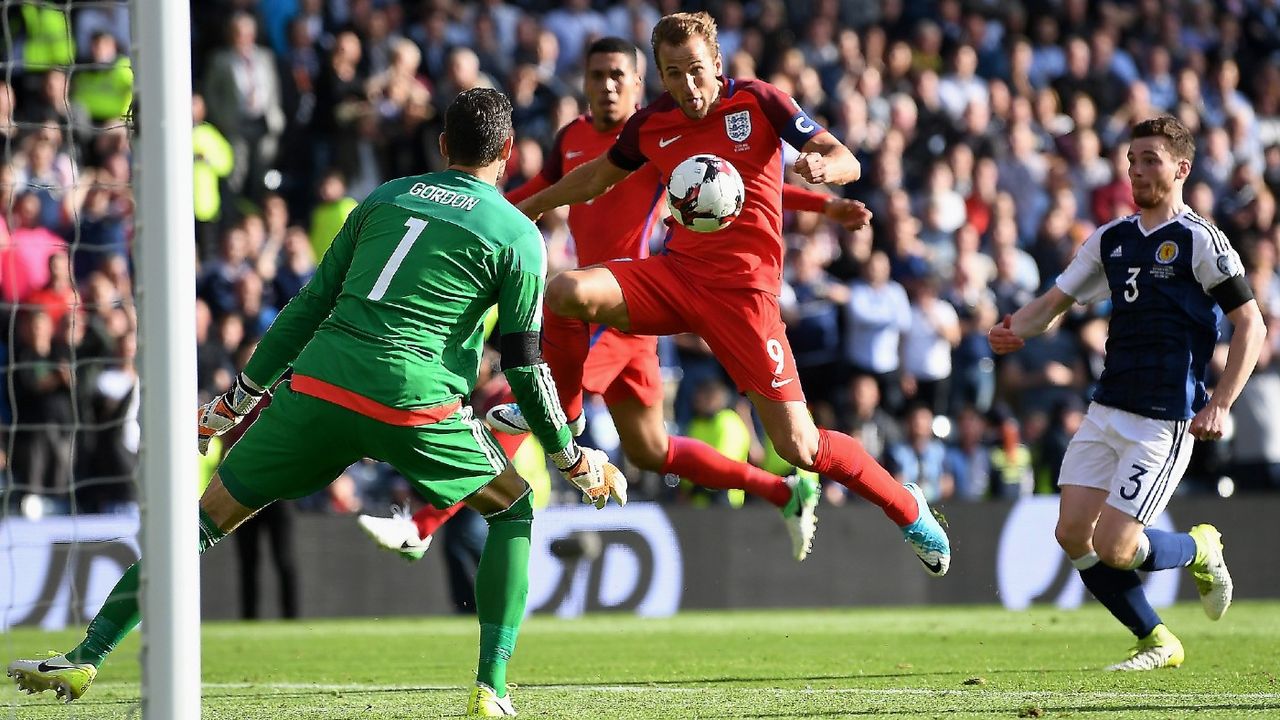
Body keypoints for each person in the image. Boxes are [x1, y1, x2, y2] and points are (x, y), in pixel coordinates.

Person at [7, 88, 624, 717]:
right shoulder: (518, 233)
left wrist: (239, 397)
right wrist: (569, 455)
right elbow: (524, 365)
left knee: (201, 521)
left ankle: (86, 654)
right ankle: (490, 688)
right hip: (413, 402)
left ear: (442, 146)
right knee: (513, 508)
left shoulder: (384, 198)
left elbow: (306, 305)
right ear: (510, 153)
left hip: (318, 386)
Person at [359, 37, 874, 563]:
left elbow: (734, 181)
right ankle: (782, 491)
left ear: (637, 83)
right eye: (595, 75)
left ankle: (422, 525)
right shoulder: (571, 139)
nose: (606, 85)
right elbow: (531, 194)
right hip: (602, 308)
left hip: (622, 304)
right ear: (582, 83)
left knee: (527, 406)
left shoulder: (656, 138)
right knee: (650, 450)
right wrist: (471, 215)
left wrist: (824, 207)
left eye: (616, 76)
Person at [515, 13, 950, 575]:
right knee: (566, 291)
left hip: (746, 300)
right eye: (674, 74)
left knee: (801, 447)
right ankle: (569, 427)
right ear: (662, 77)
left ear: (716, 64)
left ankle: (907, 507)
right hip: (676, 276)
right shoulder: (651, 123)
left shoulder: (760, 101)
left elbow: (847, 157)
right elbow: (596, 178)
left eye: (696, 69)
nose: (689, 86)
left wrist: (824, 167)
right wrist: (525, 210)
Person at [987, 116, 1266, 671]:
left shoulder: (1200, 240)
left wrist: (1221, 402)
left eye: (1151, 160)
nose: (1136, 170)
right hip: (1106, 407)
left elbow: (1252, 325)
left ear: (1181, 169)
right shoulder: (1111, 238)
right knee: (1071, 533)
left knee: (1116, 547)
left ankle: (1199, 548)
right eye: (1132, 160)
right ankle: (1157, 640)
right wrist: (1014, 326)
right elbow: (1055, 303)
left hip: (1163, 422)